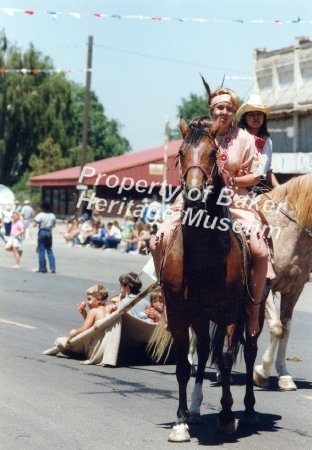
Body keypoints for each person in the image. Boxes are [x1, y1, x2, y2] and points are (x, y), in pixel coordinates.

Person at [150, 86, 275, 337]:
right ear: (212, 109)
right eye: (220, 107)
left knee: (260, 251)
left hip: (235, 200)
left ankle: (253, 308)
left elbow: (256, 175)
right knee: (156, 242)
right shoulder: (199, 133)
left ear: (234, 111)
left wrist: (234, 182)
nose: (224, 111)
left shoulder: (244, 138)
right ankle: (168, 304)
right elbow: (185, 164)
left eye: (229, 108)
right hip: (195, 199)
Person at [236, 94, 280, 189]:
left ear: (264, 118)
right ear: (245, 118)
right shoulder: (238, 137)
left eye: (259, 114)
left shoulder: (268, 142)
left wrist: (280, 189)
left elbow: (268, 171)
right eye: (251, 114)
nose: (256, 117)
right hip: (239, 187)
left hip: (261, 188)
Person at [33, 201, 56, 273]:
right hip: (49, 231)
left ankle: (42, 268)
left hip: (42, 231)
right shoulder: (52, 215)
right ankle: (53, 268)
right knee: (49, 249)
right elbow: (53, 225)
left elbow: (34, 224)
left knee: (41, 249)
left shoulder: (41, 215)